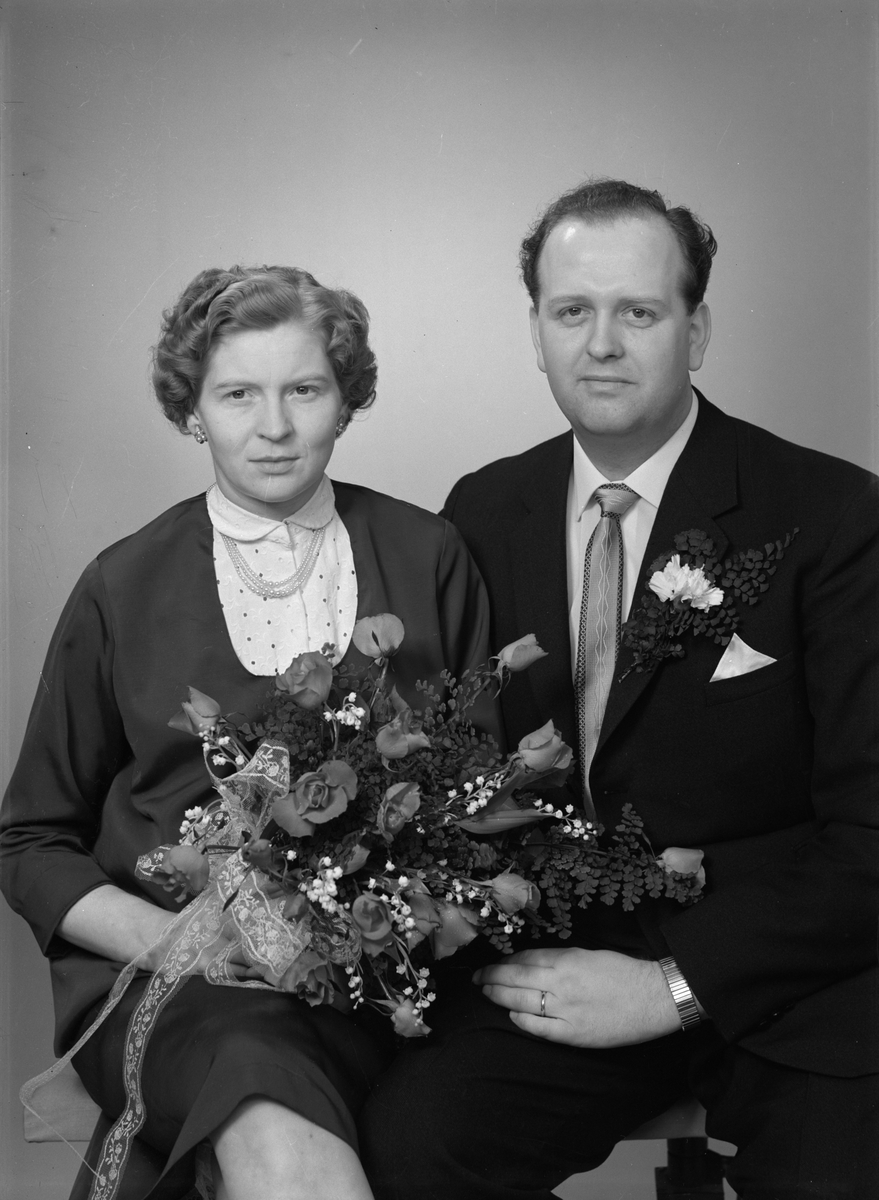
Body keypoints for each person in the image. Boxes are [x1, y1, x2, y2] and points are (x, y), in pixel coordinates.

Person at [359, 180, 879, 1199]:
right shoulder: (483, 508)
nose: (601, 344)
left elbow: (873, 834)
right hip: (560, 962)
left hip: (791, 977)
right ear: (536, 333)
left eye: (638, 311)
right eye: (572, 312)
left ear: (697, 330)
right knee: (412, 1146)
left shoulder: (831, 512)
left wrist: (673, 988)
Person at [0, 265, 491, 1200]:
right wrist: (178, 941)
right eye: (237, 395)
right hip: (179, 984)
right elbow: (30, 841)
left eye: (303, 390)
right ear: (192, 410)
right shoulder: (121, 584)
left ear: (346, 399)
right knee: (263, 1098)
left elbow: (478, 799)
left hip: (390, 982)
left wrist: (367, 932)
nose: (274, 426)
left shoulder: (428, 553)